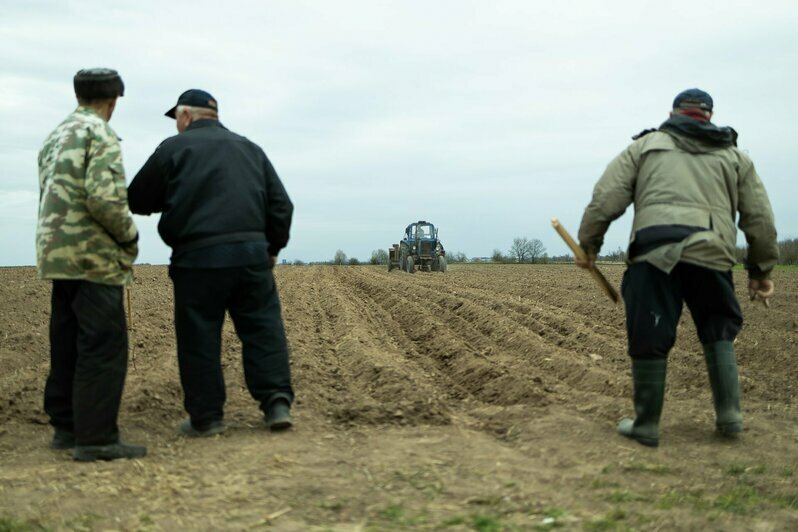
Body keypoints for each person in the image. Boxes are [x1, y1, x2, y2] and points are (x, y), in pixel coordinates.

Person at [576, 88, 778, 448]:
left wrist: (589, 245)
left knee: (649, 332)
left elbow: (606, 197)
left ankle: (647, 424)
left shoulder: (645, 147)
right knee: (718, 327)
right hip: (712, 254)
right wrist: (760, 272)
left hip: (654, 253)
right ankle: (730, 417)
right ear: (709, 116)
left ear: (673, 113)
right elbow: (759, 218)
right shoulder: (735, 158)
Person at [128, 89, 295, 437]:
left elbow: (137, 197)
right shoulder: (250, 149)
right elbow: (281, 205)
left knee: (199, 337)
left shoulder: (173, 149)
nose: (176, 125)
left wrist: (174, 196)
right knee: (263, 330)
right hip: (252, 256)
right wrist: (272, 247)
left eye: (176, 119)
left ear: (186, 116)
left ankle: (207, 419)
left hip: (197, 259)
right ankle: (276, 402)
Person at [36, 68, 146, 461]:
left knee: (66, 344)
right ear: (113, 101)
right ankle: (97, 437)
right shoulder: (100, 134)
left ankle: (65, 428)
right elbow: (104, 199)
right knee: (102, 346)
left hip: (56, 255)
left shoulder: (55, 135)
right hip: (93, 258)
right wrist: (129, 237)